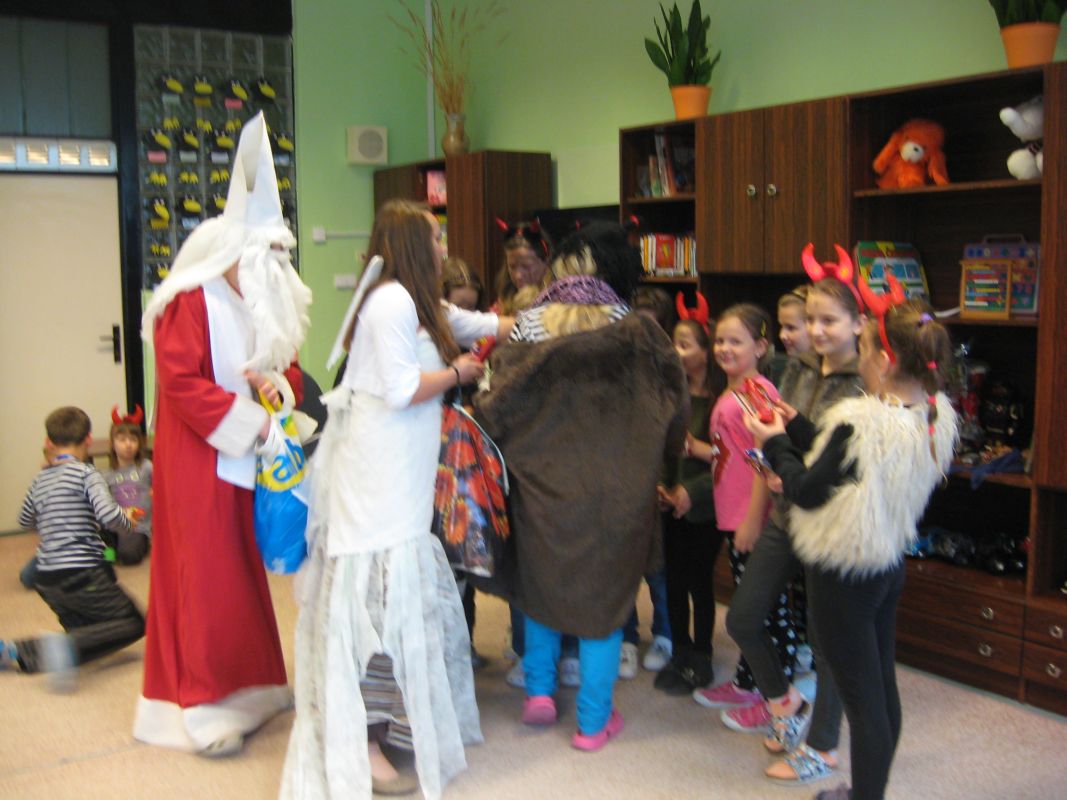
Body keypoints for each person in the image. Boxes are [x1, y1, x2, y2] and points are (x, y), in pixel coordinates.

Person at [280, 199, 488, 799]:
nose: (444, 247)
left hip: (401, 474)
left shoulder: (417, 302)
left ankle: (387, 724)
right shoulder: (391, 301)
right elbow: (401, 389)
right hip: (379, 476)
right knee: (375, 600)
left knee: (397, 597)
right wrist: (460, 374)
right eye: (436, 238)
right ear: (412, 246)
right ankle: (363, 739)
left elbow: (480, 323)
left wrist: (547, 314)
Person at [133, 112, 312, 757]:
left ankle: (251, 688)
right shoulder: (189, 300)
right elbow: (181, 384)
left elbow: (287, 369)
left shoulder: (253, 302)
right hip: (200, 463)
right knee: (203, 576)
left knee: (239, 574)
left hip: (244, 458)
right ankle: (202, 706)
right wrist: (257, 421)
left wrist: (277, 390)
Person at [474, 221, 689, 752]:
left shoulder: (527, 326)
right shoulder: (637, 330)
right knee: (604, 607)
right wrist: (666, 460)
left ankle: (539, 695)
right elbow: (674, 407)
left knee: (540, 593)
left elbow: (494, 406)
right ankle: (593, 722)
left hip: (540, 486)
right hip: (618, 491)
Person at [745, 293, 958, 800]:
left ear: (884, 360)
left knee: (862, 701)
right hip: (884, 565)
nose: (859, 358)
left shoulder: (858, 423)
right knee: (880, 687)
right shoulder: (930, 413)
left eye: (863, 349)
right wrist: (797, 426)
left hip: (843, 575)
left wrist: (773, 442)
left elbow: (806, 489)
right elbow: (848, 463)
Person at [721, 259, 865, 786]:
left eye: (830, 320)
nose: (818, 331)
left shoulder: (863, 384)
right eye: (813, 320)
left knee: (826, 642)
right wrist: (770, 474)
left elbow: (834, 460)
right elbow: (777, 436)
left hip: (828, 524)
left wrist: (783, 451)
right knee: (743, 618)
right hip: (786, 515)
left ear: (857, 324)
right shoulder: (796, 368)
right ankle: (785, 705)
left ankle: (822, 747)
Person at [689, 304, 798, 704]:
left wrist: (752, 519)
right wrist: (695, 447)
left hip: (752, 518)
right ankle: (747, 682)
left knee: (764, 611)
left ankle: (774, 694)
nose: (724, 348)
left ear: (760, 347)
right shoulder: (732, 390)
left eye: (736, 341)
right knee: (750, 606)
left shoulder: (757, 391)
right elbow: (731, 451)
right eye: (719, 340)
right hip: (733, 513)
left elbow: (763, 459)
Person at [1, 407, 144, 689]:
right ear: (88, 439)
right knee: (134, 623)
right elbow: (108, 515)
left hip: (46, 579)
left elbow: (25, 520)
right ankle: (60, 646)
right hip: (82, 573)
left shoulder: (41, 479)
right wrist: (128, 521)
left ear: (50, 441)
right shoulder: (86, 474)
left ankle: (14, 651)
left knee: (88, 635)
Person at [653, 301, 727, 694]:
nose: (676, 352)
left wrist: (691, 491)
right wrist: (663, 487)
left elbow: (734, 460)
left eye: (684, 345)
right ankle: (680, 651)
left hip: (707, 507)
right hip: (672, 504)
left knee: (699, 582)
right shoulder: (672, 395)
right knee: (674, 581)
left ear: (705, 351)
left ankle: (702, 654)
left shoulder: (721, 400)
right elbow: (667, 450)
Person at [101, 405, 152, 566]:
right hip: (115, 525)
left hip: (138, 527)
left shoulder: (146, 467)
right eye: (122, 440)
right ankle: (109, 556)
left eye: (133, 440)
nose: (128, 444)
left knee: (128, 556)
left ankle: (122, 550)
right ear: (112, 443)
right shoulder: (106, 475)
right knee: (101, 538)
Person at [490, 219, 552, 315]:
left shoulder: (560, 298)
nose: (518, 276)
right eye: (512, 267)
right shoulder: (502, 303)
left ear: (546, 261)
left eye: (526, 266)